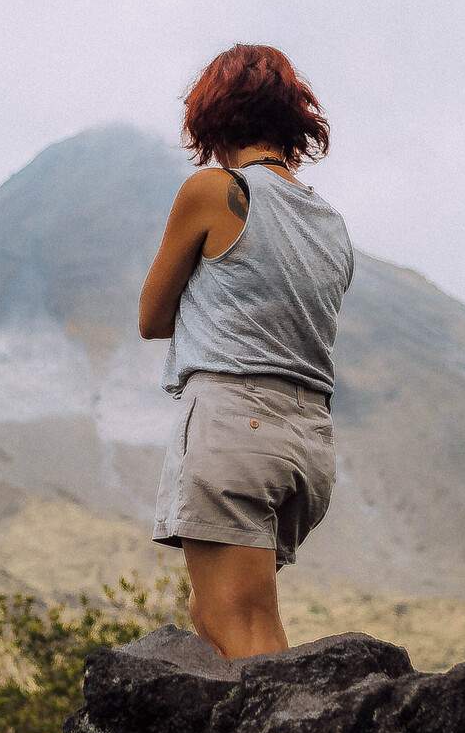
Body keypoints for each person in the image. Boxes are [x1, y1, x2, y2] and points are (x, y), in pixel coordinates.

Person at [138, 43, 356, 660]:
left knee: (228, 625)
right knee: (254, 621)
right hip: (308, 439)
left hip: (235, 421)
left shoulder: (215, 190)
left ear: (212, 115)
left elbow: (152, 316)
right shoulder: (330, 223)